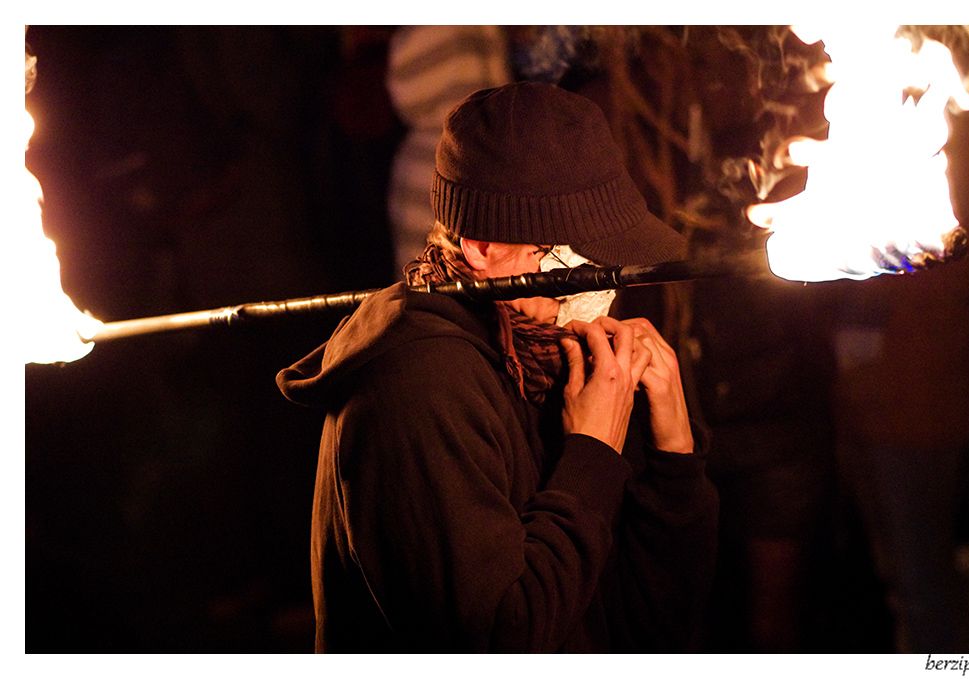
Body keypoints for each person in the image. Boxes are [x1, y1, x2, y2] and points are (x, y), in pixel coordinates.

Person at [277, 82, 719, 652]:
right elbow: (499, 641)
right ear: (484, 247)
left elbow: (651, 629)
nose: (603, 283)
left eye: (611, 258)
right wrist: (592, 455)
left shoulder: (549, 362)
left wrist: (674, 460)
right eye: (578, 258)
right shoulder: (418, 384)